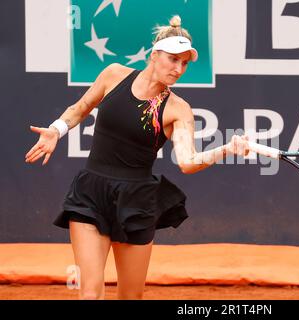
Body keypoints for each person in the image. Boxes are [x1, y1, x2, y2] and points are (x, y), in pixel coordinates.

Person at [25, 15, 249, 300]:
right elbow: (80, 108)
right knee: (90, 295)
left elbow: (187, 162)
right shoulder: (113, 74)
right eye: (173, 59)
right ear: (154, 55)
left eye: (185, 63)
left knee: (131, 296)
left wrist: (226, 149)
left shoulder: (178, 109)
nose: (179, 68)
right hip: (91, 194)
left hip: (136, 201)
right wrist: (57, 129)